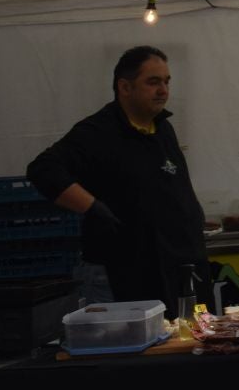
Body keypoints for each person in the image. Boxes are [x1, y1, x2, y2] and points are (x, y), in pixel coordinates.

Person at [28, 46, 208, 316]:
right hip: (122, 273)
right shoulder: (98, 132)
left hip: (172, 271)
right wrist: (91, 206)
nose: (163, 90)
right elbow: (43, 169)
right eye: (153, 82)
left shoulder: (162, 128)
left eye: (167, 82)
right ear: (125, 87)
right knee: (129, 354)